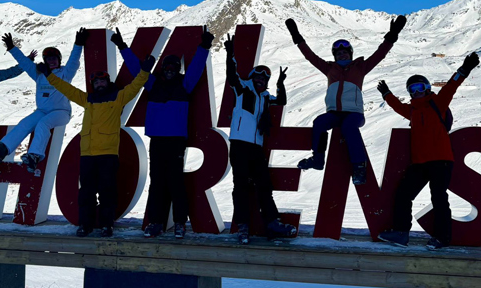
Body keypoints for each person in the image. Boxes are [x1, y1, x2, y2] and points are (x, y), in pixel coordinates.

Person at [110, 27, 214, 239]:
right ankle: (156, 223)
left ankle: (179, 223)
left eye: (173, 67)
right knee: (157, 182)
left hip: (176, 141)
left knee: (176, 182)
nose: (169, 70)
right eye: (166, 66)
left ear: (177, 69)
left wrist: (204, 47)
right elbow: (136, 68)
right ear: (162, 68)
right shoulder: (152, 84)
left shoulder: (185, 84)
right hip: (157, 140)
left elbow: (195, 68)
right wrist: (122, 47)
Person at [40, 53, 155, 238]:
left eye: (102, 81)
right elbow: (67, 89)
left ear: (107, 82)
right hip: (87, 154)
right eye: (96, 83)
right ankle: (85, 225)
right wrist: (49, 76)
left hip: (108, 154)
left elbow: (135, 87)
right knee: (86, 193)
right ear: (93, 85)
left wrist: (144, 72)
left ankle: (106, 225)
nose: (99, 84)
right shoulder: (88, 100)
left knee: (107, 192)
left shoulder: (118, 98)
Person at [376, 52, 480, 250]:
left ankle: (442, 238)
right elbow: (398, 107)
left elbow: (451, 87)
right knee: (404, 194)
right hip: (420, 162)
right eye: (412, 89)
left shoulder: (437, 104)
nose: (416, 92)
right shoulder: (412, 110)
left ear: (427, 88)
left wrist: (464, 69)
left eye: (420, 87)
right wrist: (387, 94)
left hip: (441, 160)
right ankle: (401, 233)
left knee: (438, 197)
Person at [285, 16, 406, 185]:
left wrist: (392, 34)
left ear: (350, 53)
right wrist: (297, 37)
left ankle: (359, 166)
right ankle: (318, 159)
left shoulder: (360, 68)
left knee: (348, 127)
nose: (342, 54)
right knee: (319, 123)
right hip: (334, 113)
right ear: (335, 56)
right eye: (338, 53)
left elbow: (380, 53)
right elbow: (310, 56)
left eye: (345, 52)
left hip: (354, 114)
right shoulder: (329, 69)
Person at [224, 33, 295, 245]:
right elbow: (231, 74)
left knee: (264, 185)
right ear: (252, 76)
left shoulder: (266, 97)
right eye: (258, 76)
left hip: (256, 148)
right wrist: (230, 54)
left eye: (265, 79)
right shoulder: (242, 88)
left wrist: (280, 83)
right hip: (239, 145)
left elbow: (280, 100)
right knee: (241, 186)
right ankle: (243, 225)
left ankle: (272, 222)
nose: (261, 80)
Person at [0, 29, 88, 174]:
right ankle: (4, 148)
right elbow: (24, 62)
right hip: (42, 110)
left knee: (43, 124)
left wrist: (78, 44)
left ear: (59, 60)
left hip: (61, 112)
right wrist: (11, 48)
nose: (52, 61)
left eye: (55, 58)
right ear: (45, 61)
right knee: (25, 123)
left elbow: (74, 60)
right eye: (49, 59)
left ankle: (34, 155)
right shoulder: (39, 74)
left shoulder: (65, 73)